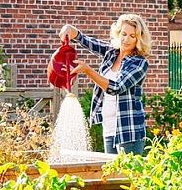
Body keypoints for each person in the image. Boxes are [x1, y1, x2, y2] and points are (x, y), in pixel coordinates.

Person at [59, 14, 152, 155]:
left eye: (132, 36)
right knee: (111, 175)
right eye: (124, 34)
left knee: (127, 176)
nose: (126, 39)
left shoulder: (139, 63)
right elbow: (90, 42)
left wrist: (87, 70)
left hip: (129, 132)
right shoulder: (112, 53)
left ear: (138, 39)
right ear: (118, 33)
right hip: (109, 129)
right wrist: (72, 31)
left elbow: (116, 87)